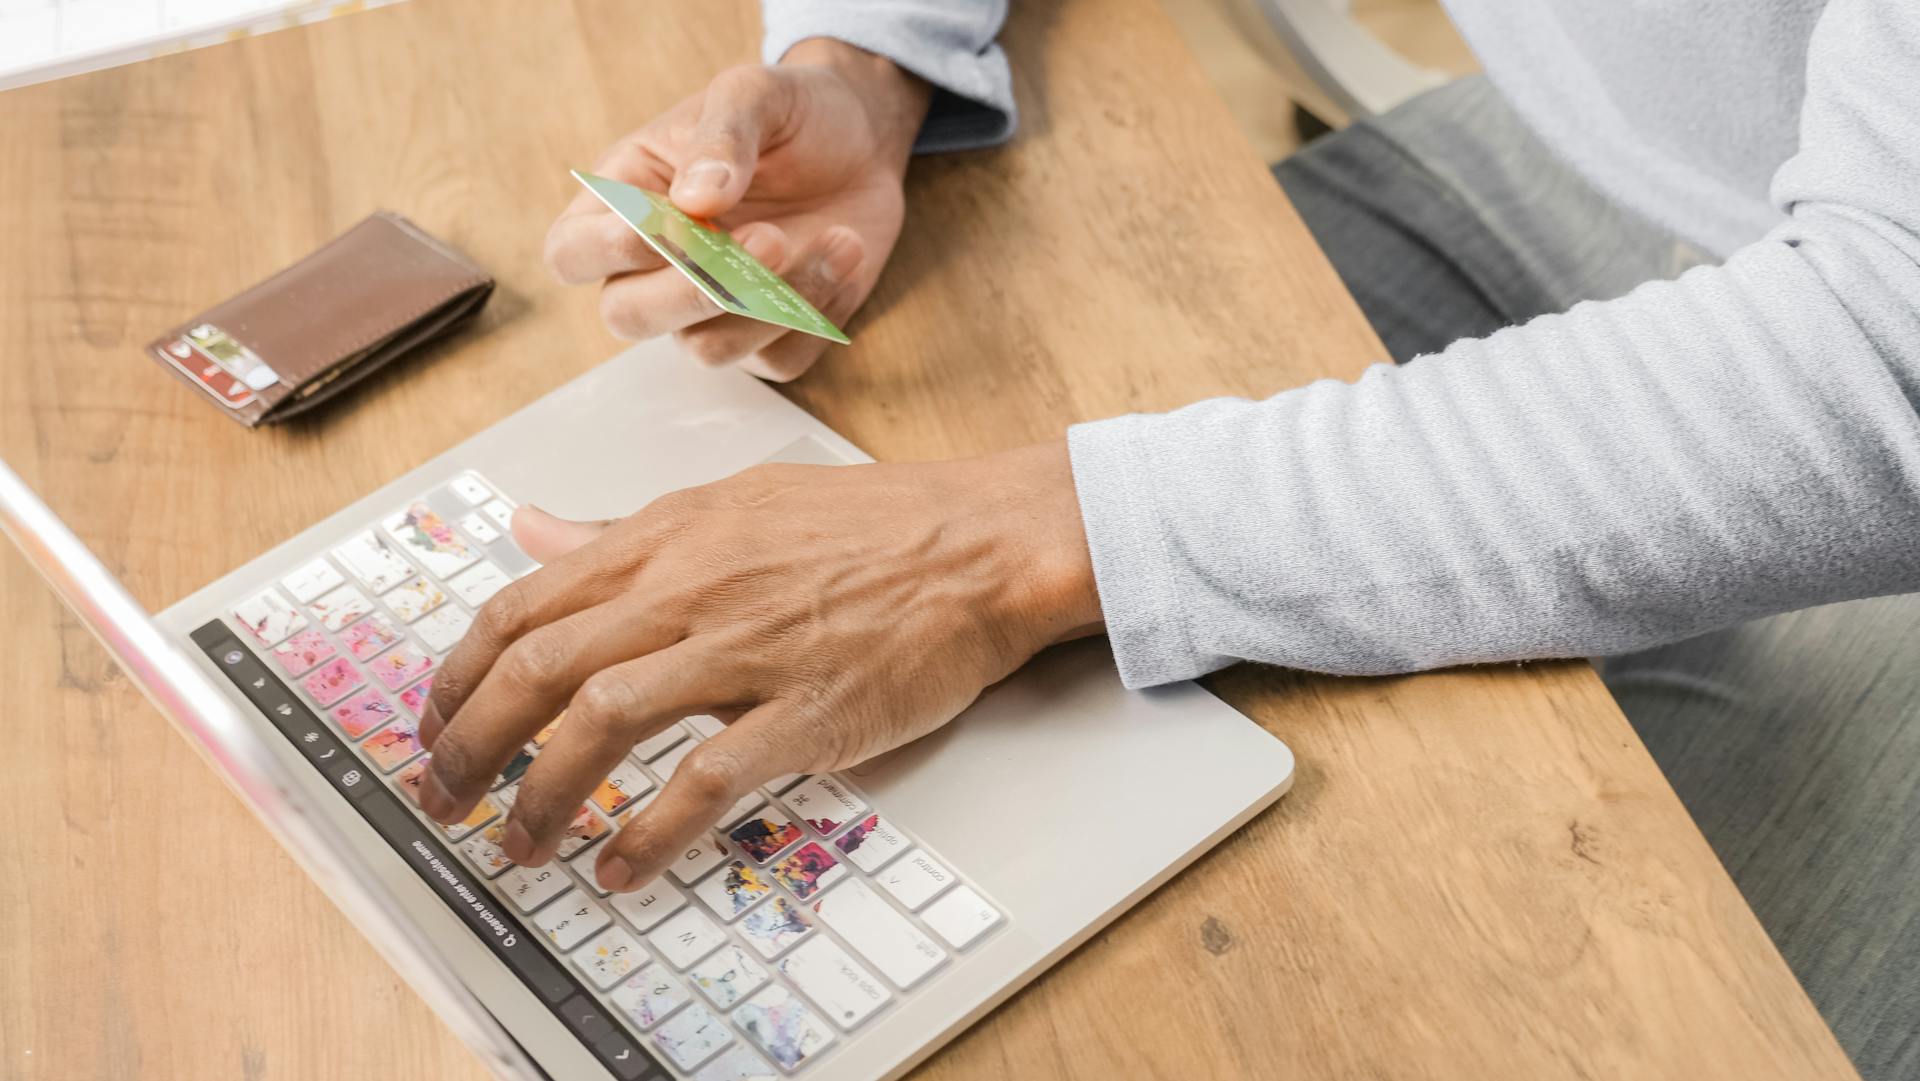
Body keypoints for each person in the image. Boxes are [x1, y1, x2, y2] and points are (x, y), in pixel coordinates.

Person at [416, 5, 1920, 1073]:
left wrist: (997, 545)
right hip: (1583, 159)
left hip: (1853, 365)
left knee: (1466, 976)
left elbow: (1882, 349)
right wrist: (875, 56)